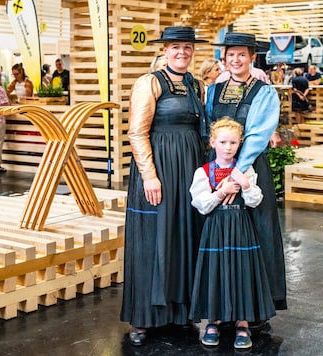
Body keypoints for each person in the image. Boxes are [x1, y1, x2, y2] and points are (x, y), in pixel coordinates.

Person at [120, 26, 207, 347]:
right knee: (154, 237)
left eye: (187, 47)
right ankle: (144, 317)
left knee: (184, 235)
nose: (182, 52)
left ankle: (180, 311)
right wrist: (150, 175)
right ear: (165, 50)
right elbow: (137, 132)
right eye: (175, 47)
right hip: (159, 169)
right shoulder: (149, 82)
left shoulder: (197, 85)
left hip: (190, 168)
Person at [206, 32, 287, 319]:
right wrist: (218, 174)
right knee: (219, 236)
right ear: (224, 58)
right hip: (218, 170)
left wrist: (236, 176)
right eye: (231, 54)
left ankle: (254, 308)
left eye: (242, 54)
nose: (236, 59)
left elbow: (257, 135)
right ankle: (222, 305)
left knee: (258, 232)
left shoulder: (264, 92)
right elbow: (209, 130)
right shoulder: (212, 91)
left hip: (249, 170)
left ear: (252, 57)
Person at [188, 118, 275, 350]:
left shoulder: (245, 169)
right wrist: (221, 192)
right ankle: (213, 322)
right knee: (215, 271)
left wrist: (246, 185)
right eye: (223, 142)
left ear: (240, 144)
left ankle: (242, 323)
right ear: (213, 142)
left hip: (240, 228)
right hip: (216, 229)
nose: (228, 147)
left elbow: (256, 201)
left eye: (233, 142)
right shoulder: (204, 172)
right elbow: (200, 204)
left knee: (242, 271)